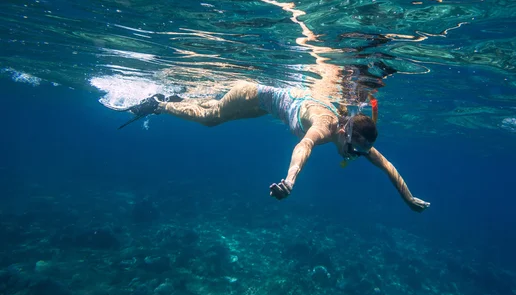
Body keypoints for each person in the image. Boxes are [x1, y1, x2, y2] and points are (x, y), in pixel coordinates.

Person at [121, 81, 430, 213]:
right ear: (347, 133)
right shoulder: (326, 127)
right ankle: (158, 105)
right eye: (356, 149)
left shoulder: (353, 135)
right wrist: (290, 180)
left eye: (361, 153)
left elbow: (387, 166)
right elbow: (304, 146)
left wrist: (409, 197)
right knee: (212, 117)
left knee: (217, 113)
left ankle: (177, 100)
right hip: (253, 94)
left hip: (266, 105)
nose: (356, 156)